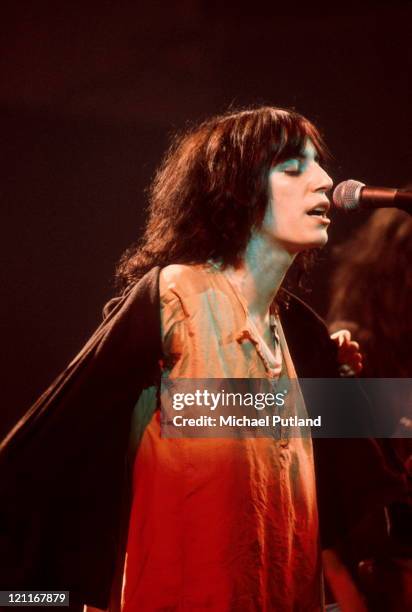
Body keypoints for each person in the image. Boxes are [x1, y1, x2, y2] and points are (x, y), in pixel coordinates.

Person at [0, 106, 364, 612]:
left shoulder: (294, 332)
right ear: (236, 187)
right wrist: (40, 597)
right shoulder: (178, 297)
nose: (326, 181)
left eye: (319, 164)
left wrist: (345, 386)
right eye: (293, 167)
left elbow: (337, 471)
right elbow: (55, 439)